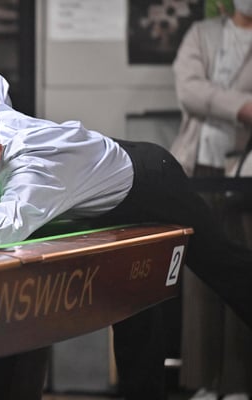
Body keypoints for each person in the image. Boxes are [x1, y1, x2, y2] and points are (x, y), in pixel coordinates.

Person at [0, 72, 252, 400]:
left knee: (224, 267)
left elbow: (9, 221)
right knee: (135, 299)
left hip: (152, 182)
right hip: (102, 191)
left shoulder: (33, 171)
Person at [170, 0, 252, 398]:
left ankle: (238, 383)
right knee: (199, 274)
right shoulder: (202, 34)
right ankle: (202, 381)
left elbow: (203, 94)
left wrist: (215, 99)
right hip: (198, 168)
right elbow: (189, 91)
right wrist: (242, 105)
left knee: (241, 271)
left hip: (245, 173)